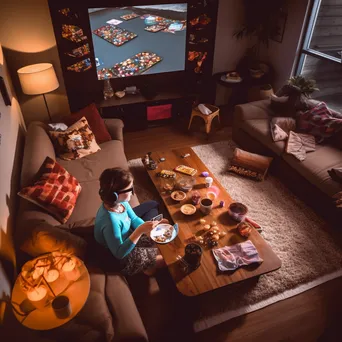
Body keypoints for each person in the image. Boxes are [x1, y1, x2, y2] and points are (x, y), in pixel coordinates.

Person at [94, 167, 167, 276]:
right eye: (130, 189)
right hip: (117, 255)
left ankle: (146, 264)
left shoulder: (120, 202)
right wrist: (140, 231)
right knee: (164, 259)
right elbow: (119, 253)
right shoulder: (110, 221)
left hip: (127, 234)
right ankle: (146, 267)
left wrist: (147, 228)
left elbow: (133, 218)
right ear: (115, 195)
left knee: (153, 205)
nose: (133, 192)